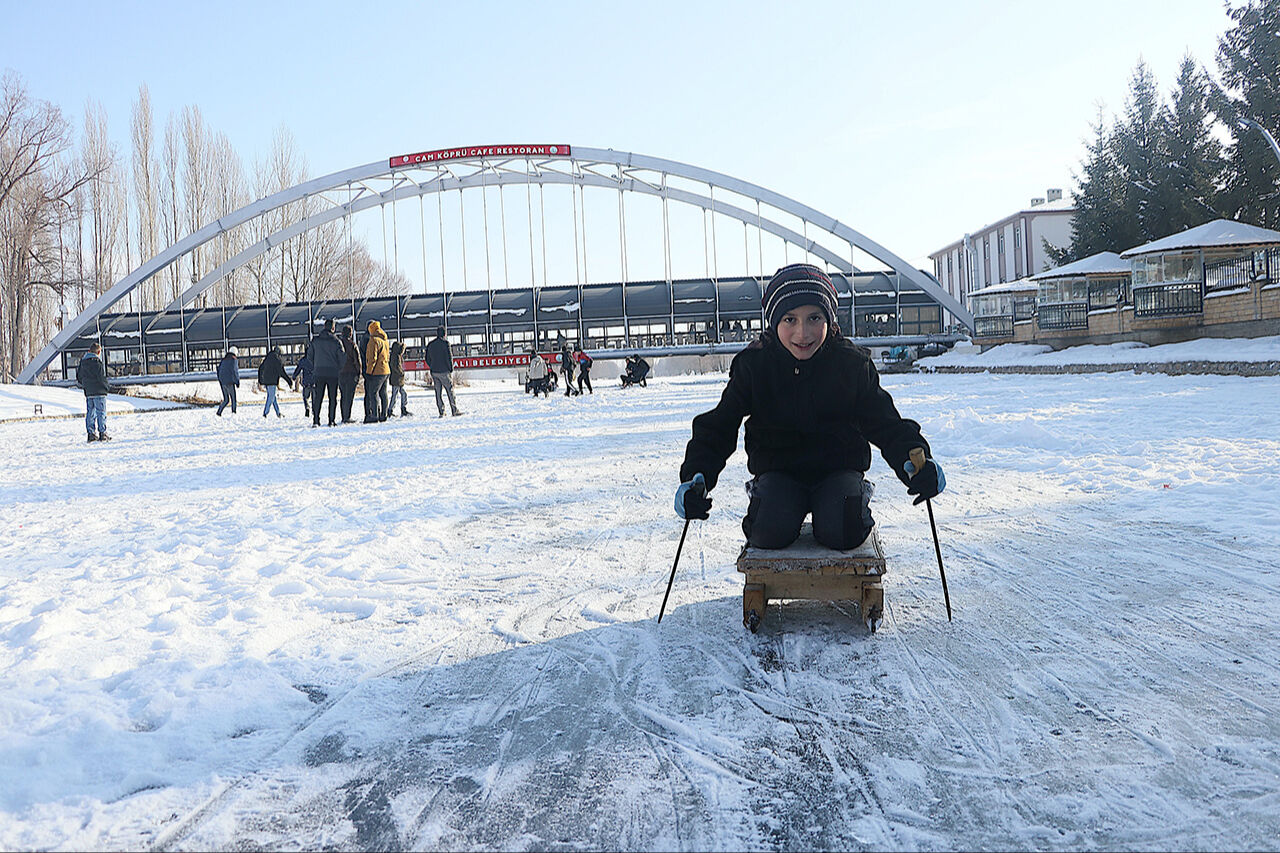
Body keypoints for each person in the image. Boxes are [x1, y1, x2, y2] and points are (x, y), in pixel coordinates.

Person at [674, 263, 945, 552]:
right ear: (774, 322)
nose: (802, 333)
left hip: (837, 471)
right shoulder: (755, 366)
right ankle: (768, 501)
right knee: (767, 533)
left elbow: (885, 423)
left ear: (829, 318)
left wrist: (916, 460)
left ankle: (854, 497)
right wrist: (696, 476)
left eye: (814, 318)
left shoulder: (851, 364)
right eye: (789, 319)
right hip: (779, 472)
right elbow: (720, 425)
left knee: (844, 531)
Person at [306, 320, 345, 427]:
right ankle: (331, 420)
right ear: (333, 328)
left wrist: (316, 365)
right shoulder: (336, 341)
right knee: (332, 398)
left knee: (318, 397)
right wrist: (338, 368)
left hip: (319, 372)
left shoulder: (315, 340)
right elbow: (342, 358)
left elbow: (309, 356)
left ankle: (316, 420)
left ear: (324, 327)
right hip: (333, 373)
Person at [77, 342, 111, 442]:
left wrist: (86, 385)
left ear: (89, 351)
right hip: (99, 391)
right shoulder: (97, 362)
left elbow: (79, 377)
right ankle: (102, 433)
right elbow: (101, 377)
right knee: (101, 412)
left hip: (89, 391)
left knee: (90, 412)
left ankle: (91, 434)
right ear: (99, 352)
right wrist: (107, 387)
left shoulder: (83, 362)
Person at [426, 325, 462, 417]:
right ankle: (454, 410)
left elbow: (427, 358)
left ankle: (441, 412)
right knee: (450, 390)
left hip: (434, 371)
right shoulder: (446, 344)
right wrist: (450, 368)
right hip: (444, 371)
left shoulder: (430, 344)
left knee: (438, 393)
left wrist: (432, 366)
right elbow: (449, 357)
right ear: (444, 334)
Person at [363, 320, 391, 423]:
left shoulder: (373, 340)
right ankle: (384, 415)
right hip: (386, 370)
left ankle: (374, 415)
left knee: (373, 393)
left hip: (377, 372)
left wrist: (369, 372)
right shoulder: (385, 340)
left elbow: (372, 359)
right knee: (383, 393)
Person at [338, 325, 362, 423]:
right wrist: (359, 372)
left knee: (343, 395)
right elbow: (357, 360)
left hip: (340, 373)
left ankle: (343, 416)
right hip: (351, 373)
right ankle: (347, 416)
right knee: (349, 396)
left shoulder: (338, 344)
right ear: (350, 334)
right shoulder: (352, 345)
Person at [257, 346, 288, 418]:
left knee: (273, 397)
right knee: (271, 397)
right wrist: (289, 381)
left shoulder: (267, 358)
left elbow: (261, 368)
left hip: (266, 380)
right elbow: (281, 372)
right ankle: (265, 413)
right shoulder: (277, 360)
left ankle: (278, 412)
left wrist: (260, 380)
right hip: (272, 381)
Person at [387, 339, 411, 416]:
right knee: (396, 394)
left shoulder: (395, 355)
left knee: (402, 393)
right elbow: (396, 367)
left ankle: (401, 408)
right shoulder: (396, 356)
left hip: (397, 379)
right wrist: (401, 373)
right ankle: (391, 410)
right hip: (397, 378)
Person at [216, 346, 240, 416]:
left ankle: (219, 412)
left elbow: (219, 370)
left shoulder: (223, 360)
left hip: (223, 382)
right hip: (230, 382)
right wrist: (237, 381)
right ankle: (233, 413)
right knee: (233, 399)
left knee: (226, 399)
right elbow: (235, 371)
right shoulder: (234, 360)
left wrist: (221, 380)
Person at [292, 348, 315, 419]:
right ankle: (314, 410)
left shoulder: (303, 360)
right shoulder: (315, 359)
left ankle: (307, 407)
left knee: (305, 397)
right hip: (314, 381)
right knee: (314, 398)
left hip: (306, 382)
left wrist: (294, 376)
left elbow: (298, 369)